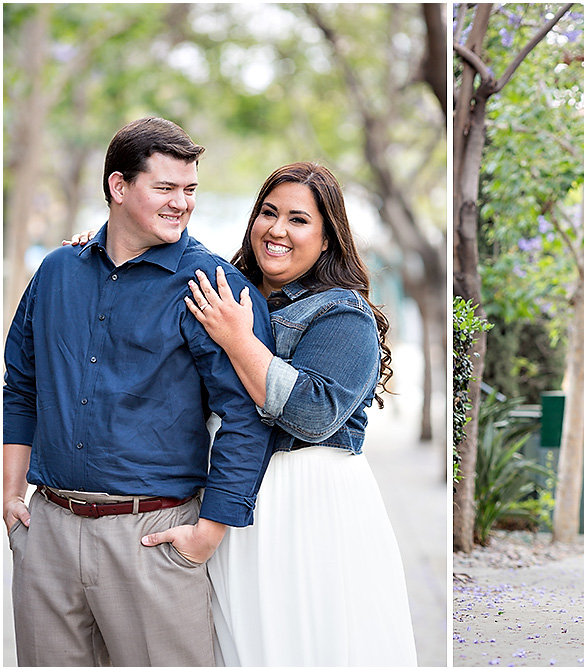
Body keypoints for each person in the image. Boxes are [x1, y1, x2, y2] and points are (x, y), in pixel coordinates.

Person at [3, 117, 276, 666]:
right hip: (49, 531)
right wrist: (11, 497)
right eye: (166, 188)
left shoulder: (214, 288)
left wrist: (208, 533)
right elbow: (22, 387)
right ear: (119, 187)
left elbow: (248, 415)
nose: (182, 203)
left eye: (190, 190)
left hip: (153, 536)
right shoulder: (55, 272)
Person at [183, 162, 417, 666]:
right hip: (231, 497)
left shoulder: (341, 313)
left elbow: (312, 414)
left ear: (328, 238)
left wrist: (239, 340)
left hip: (308, 503)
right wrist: (100, 243)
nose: (277, 230)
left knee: (305, 645)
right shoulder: (226, 291)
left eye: (298, 219)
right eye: (268, 213)